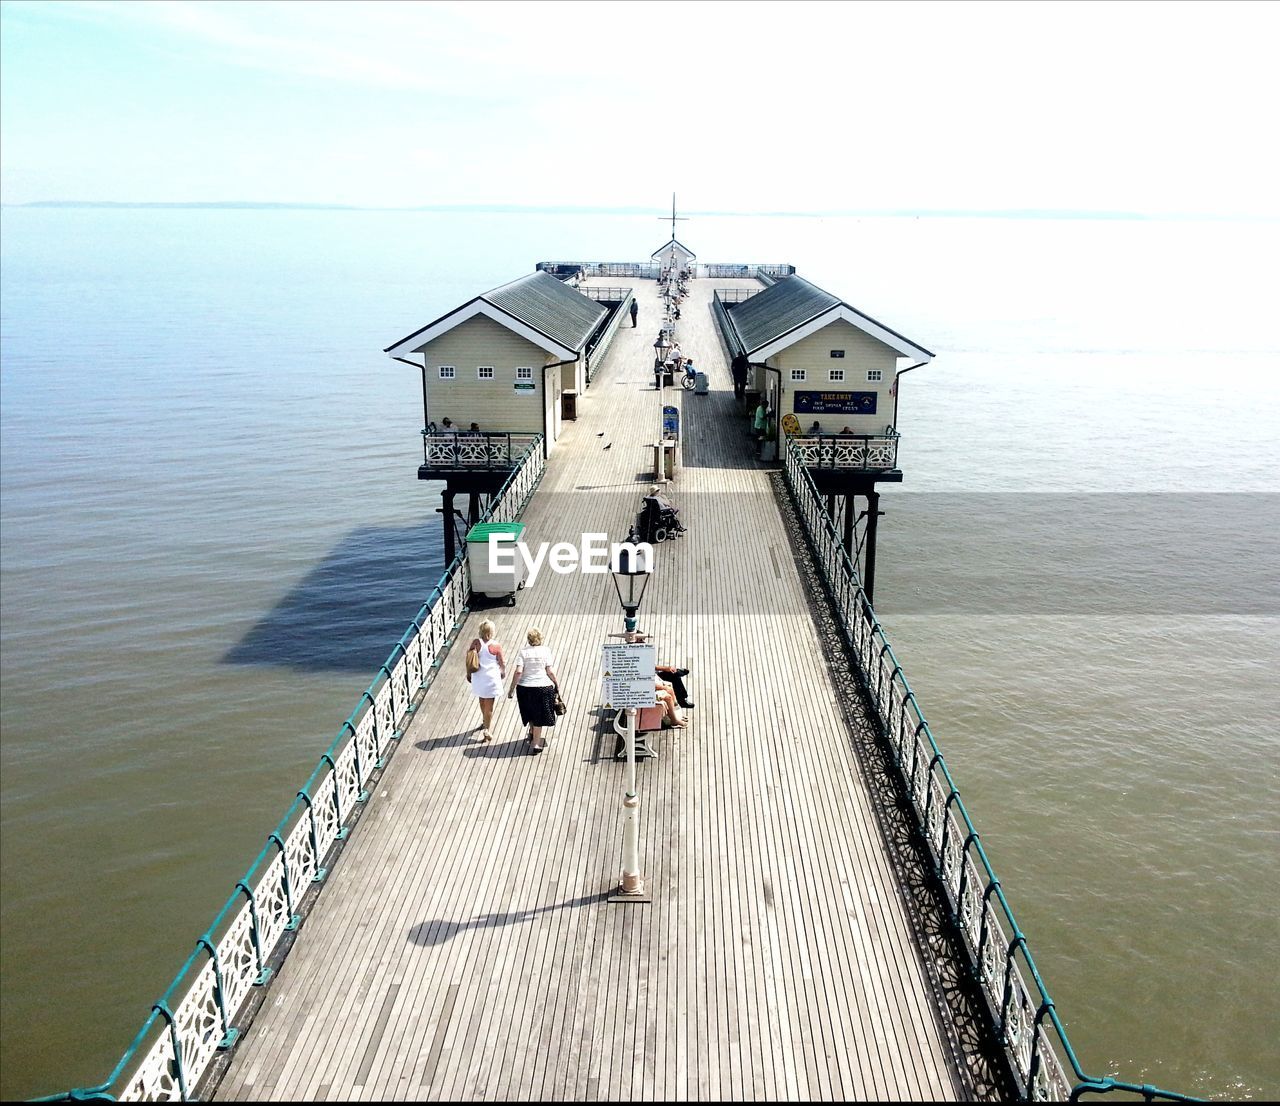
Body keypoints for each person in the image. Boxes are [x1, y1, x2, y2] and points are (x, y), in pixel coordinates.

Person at [508, 627, 561, 754]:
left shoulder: (523, 652)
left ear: (528, 639)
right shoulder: (546, 651)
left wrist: (511, 689)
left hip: (525, 688)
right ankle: (536, 743)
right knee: (539, 715)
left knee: (530, 711)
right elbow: (550, 671)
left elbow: (518, 671)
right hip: (543, 687)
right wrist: (556, 684)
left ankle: (532, 732)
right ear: (540, 639)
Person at [467, 619, 506, 742]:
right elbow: (502, 662)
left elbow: (469, 658)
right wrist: (503, 672)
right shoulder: (496, 646)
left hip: (478, 677)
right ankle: (487, 730)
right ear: (492, 631)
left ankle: (484, 721)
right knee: (489, 707)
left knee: (482, 700)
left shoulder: (475, 643)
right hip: (492, 679)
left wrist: (468, 673)